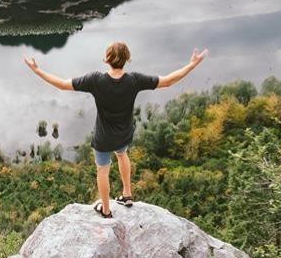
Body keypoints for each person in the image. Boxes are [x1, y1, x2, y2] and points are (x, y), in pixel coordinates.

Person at [23, 42, 208, 218]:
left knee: (102, 170)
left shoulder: (95, 80)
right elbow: (167, 81)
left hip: (103, 139)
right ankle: (127, 195)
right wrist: (192, 64)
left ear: (106, 59)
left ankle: (105, 210)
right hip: (124, 134)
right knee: (122, 155)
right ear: (127, 59)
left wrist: (37, 70)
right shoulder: (135, 80)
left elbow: (63, 85)